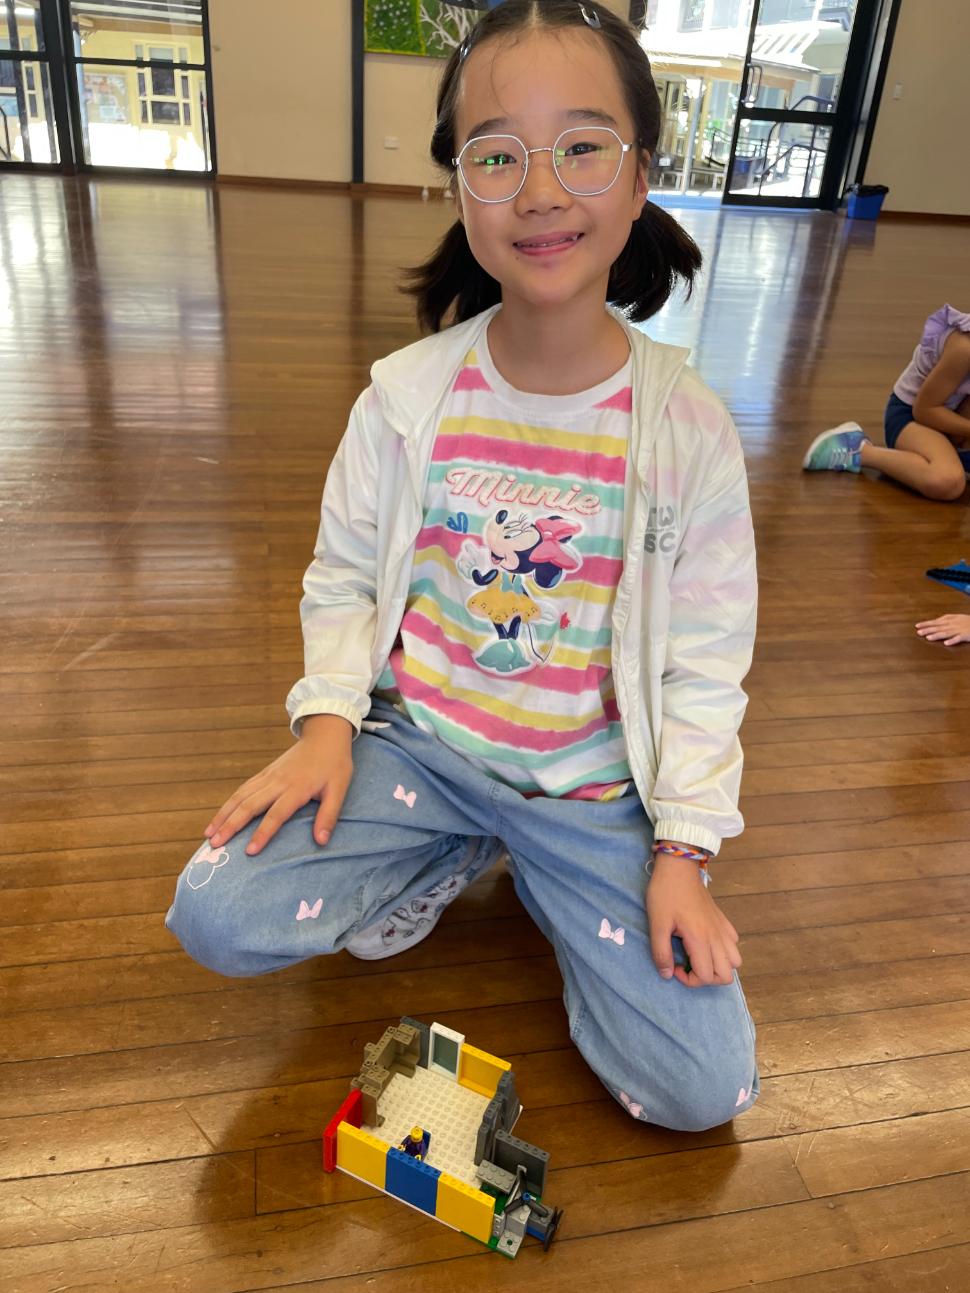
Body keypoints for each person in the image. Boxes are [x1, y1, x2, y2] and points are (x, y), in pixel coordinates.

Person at [166, 0, 759, 1134]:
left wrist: (680, 851)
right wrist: (328, 726)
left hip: (591, 799)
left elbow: (705, 656)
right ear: (458, 187)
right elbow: (344, 574)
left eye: (582, 148)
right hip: (424, 756)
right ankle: (456, 842)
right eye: (497, 156)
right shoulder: (406, 397)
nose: (540, 191)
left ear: (641, 177)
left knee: (704, 1088)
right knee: (215, 912)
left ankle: (545, 876)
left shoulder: (686, 429)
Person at [803, 304, 970, 501]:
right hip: (910, 417)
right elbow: (924, 411)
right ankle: (858, 450)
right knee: (947, 482)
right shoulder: (963, 348)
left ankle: (953, 457)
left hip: (950, 420)